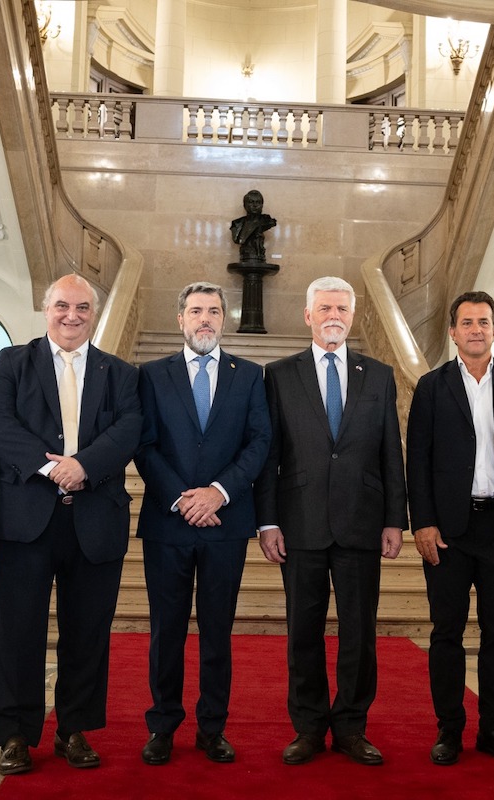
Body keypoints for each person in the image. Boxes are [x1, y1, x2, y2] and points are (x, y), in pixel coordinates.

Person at [0, 274, 141, 775]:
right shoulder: (12, 362)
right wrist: (51, 468)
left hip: (95, 518)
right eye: (62, 306)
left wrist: (84, 466)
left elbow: (130, 428)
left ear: (94, 313)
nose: (72, 316)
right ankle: (14, 734)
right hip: (25, 518)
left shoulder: (120, 372)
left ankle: (74, 729)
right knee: (15, 630)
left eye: (83, 307)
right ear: (46, 310)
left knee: (87, 632)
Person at [255, 275, 407, 766]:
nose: (333, 316)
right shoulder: (279, 374)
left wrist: (395, 519)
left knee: (359, 633)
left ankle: (351, 727)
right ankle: (308, 727)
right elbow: (269, 454)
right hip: (299, 523)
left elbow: (391, 451)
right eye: (324, 308)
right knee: (303, 631)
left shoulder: (379, 374)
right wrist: (267, 521)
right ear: (308, 315)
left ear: (353, 315)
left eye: (341, 308)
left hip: (363, 521)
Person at [406, 291, 494, 769]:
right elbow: (417, 460)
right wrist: (423, 522)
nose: (475, 329)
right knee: (446, 633)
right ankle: (449, 730)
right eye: (466, 322)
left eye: (483, 321)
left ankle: (493, 730)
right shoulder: (431, 386)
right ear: (453, 332)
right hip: (448, 531)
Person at [134, 281, 271, 766]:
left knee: (217, 631)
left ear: (224, 319)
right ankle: (162, 726)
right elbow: (144, 444)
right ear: (181, 319)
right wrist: (180, 498)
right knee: (165, 631)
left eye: (213, 311)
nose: (205, 319)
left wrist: (218, 493)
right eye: (196, 311)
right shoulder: (150, 375)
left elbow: (259, 442)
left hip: (225, 523)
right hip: (167, 523)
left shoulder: (249, 375)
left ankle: (212, 728)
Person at [230, 189, 277, 263]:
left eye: (258, 202)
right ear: (245, 205)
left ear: (262, 205)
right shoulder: (237, 224)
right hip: (245, 257)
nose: (255, 205)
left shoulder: (267, 221)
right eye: (251, 202)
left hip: (259, 258)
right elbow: (237, 239)